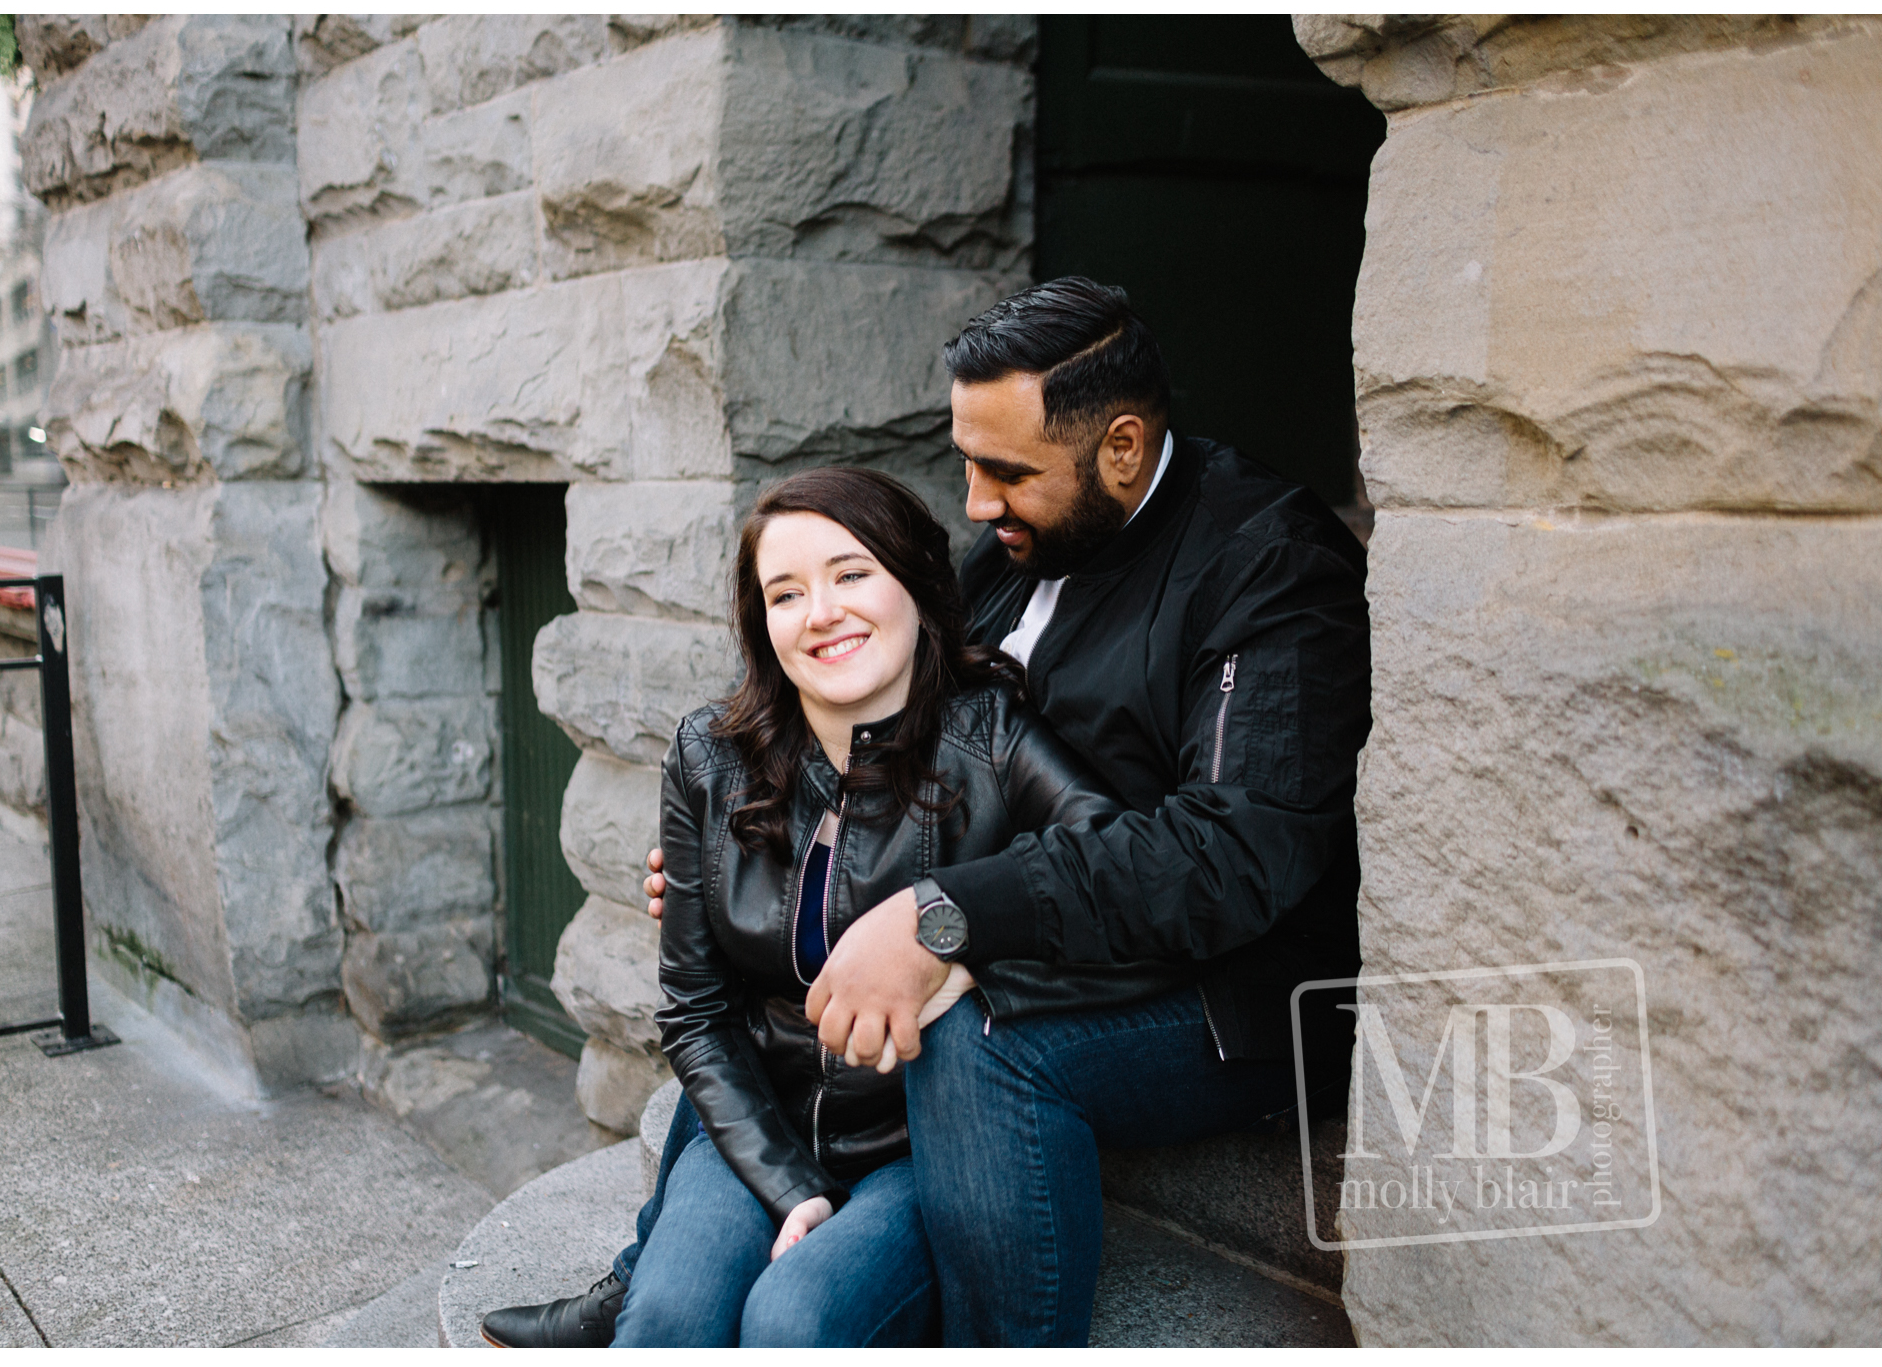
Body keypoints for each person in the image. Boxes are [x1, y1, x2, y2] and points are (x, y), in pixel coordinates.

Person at [486, 277, 1370, 1347]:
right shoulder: (1016, 550)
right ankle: (649, 1276)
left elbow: (1228, 860)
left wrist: (941, 914)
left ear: (1123, 447)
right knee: (757, 956)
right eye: (965, 462)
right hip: (1050, 912)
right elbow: (909, 718)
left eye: (1004, 471)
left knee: (972, 1029)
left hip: (1224, 988)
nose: (976, 502)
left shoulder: (1266, 563)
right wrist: (747, 846)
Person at [488, 467, 1121, 1348]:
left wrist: (962, 946)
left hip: (922, 1143)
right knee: (668, 1321)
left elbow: (1120, 878)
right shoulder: (710, 758)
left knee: (795, 1320)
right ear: (763, 626)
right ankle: (637, 1284)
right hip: (761, 1120)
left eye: (852, 573)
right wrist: (790, 1187)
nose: (821, 611)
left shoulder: (995, 740)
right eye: (785, 593)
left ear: (917, 586)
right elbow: (697, 1013)